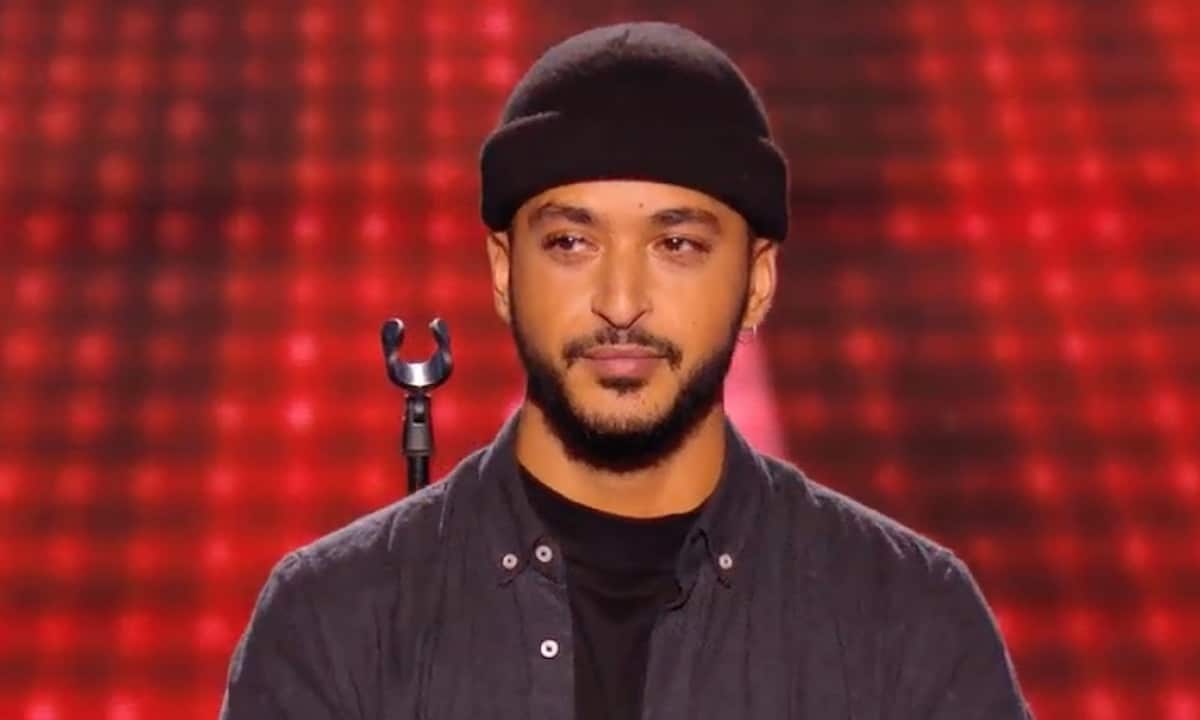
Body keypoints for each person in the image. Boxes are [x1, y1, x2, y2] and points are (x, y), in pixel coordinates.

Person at [220, 21, 1032, 720]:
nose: (619, 301)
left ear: (757, 281)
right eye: (571, 242)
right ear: (503, 272)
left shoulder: (909, 621)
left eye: (677, 245)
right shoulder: (333, 622)